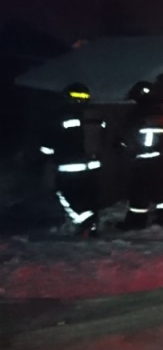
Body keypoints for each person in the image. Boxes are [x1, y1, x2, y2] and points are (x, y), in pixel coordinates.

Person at [43, 82, 106, 236]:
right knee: (90, 196)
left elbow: (49, 141)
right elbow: (103, 137)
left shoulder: (60, 115)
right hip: (93, 165)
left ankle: (86, 221)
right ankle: (92, 225)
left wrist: (47, 156)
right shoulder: (95, 116)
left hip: (69, 165)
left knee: (64, 194)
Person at [117, 81, 163, 230]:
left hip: (143, 160)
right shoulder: (162, 114)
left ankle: (136, 222)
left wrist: (122, 147)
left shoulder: (137, 114)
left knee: (138, 191)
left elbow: (128, 137)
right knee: (162, 191)